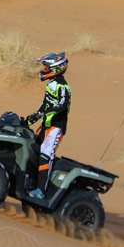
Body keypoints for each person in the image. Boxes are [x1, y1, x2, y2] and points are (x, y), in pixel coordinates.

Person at [26, 52, 71, 199]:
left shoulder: (63, 86)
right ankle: (30, 182)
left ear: (56, 68)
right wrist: (29, 120)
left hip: (56, 126)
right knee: (32, 147)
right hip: (45, 125)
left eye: (46, 67)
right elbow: (45, 104)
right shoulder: (51, 83)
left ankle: (41, 190)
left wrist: (44, 113)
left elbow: (62, 105)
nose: (44, 70)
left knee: (46, 153)